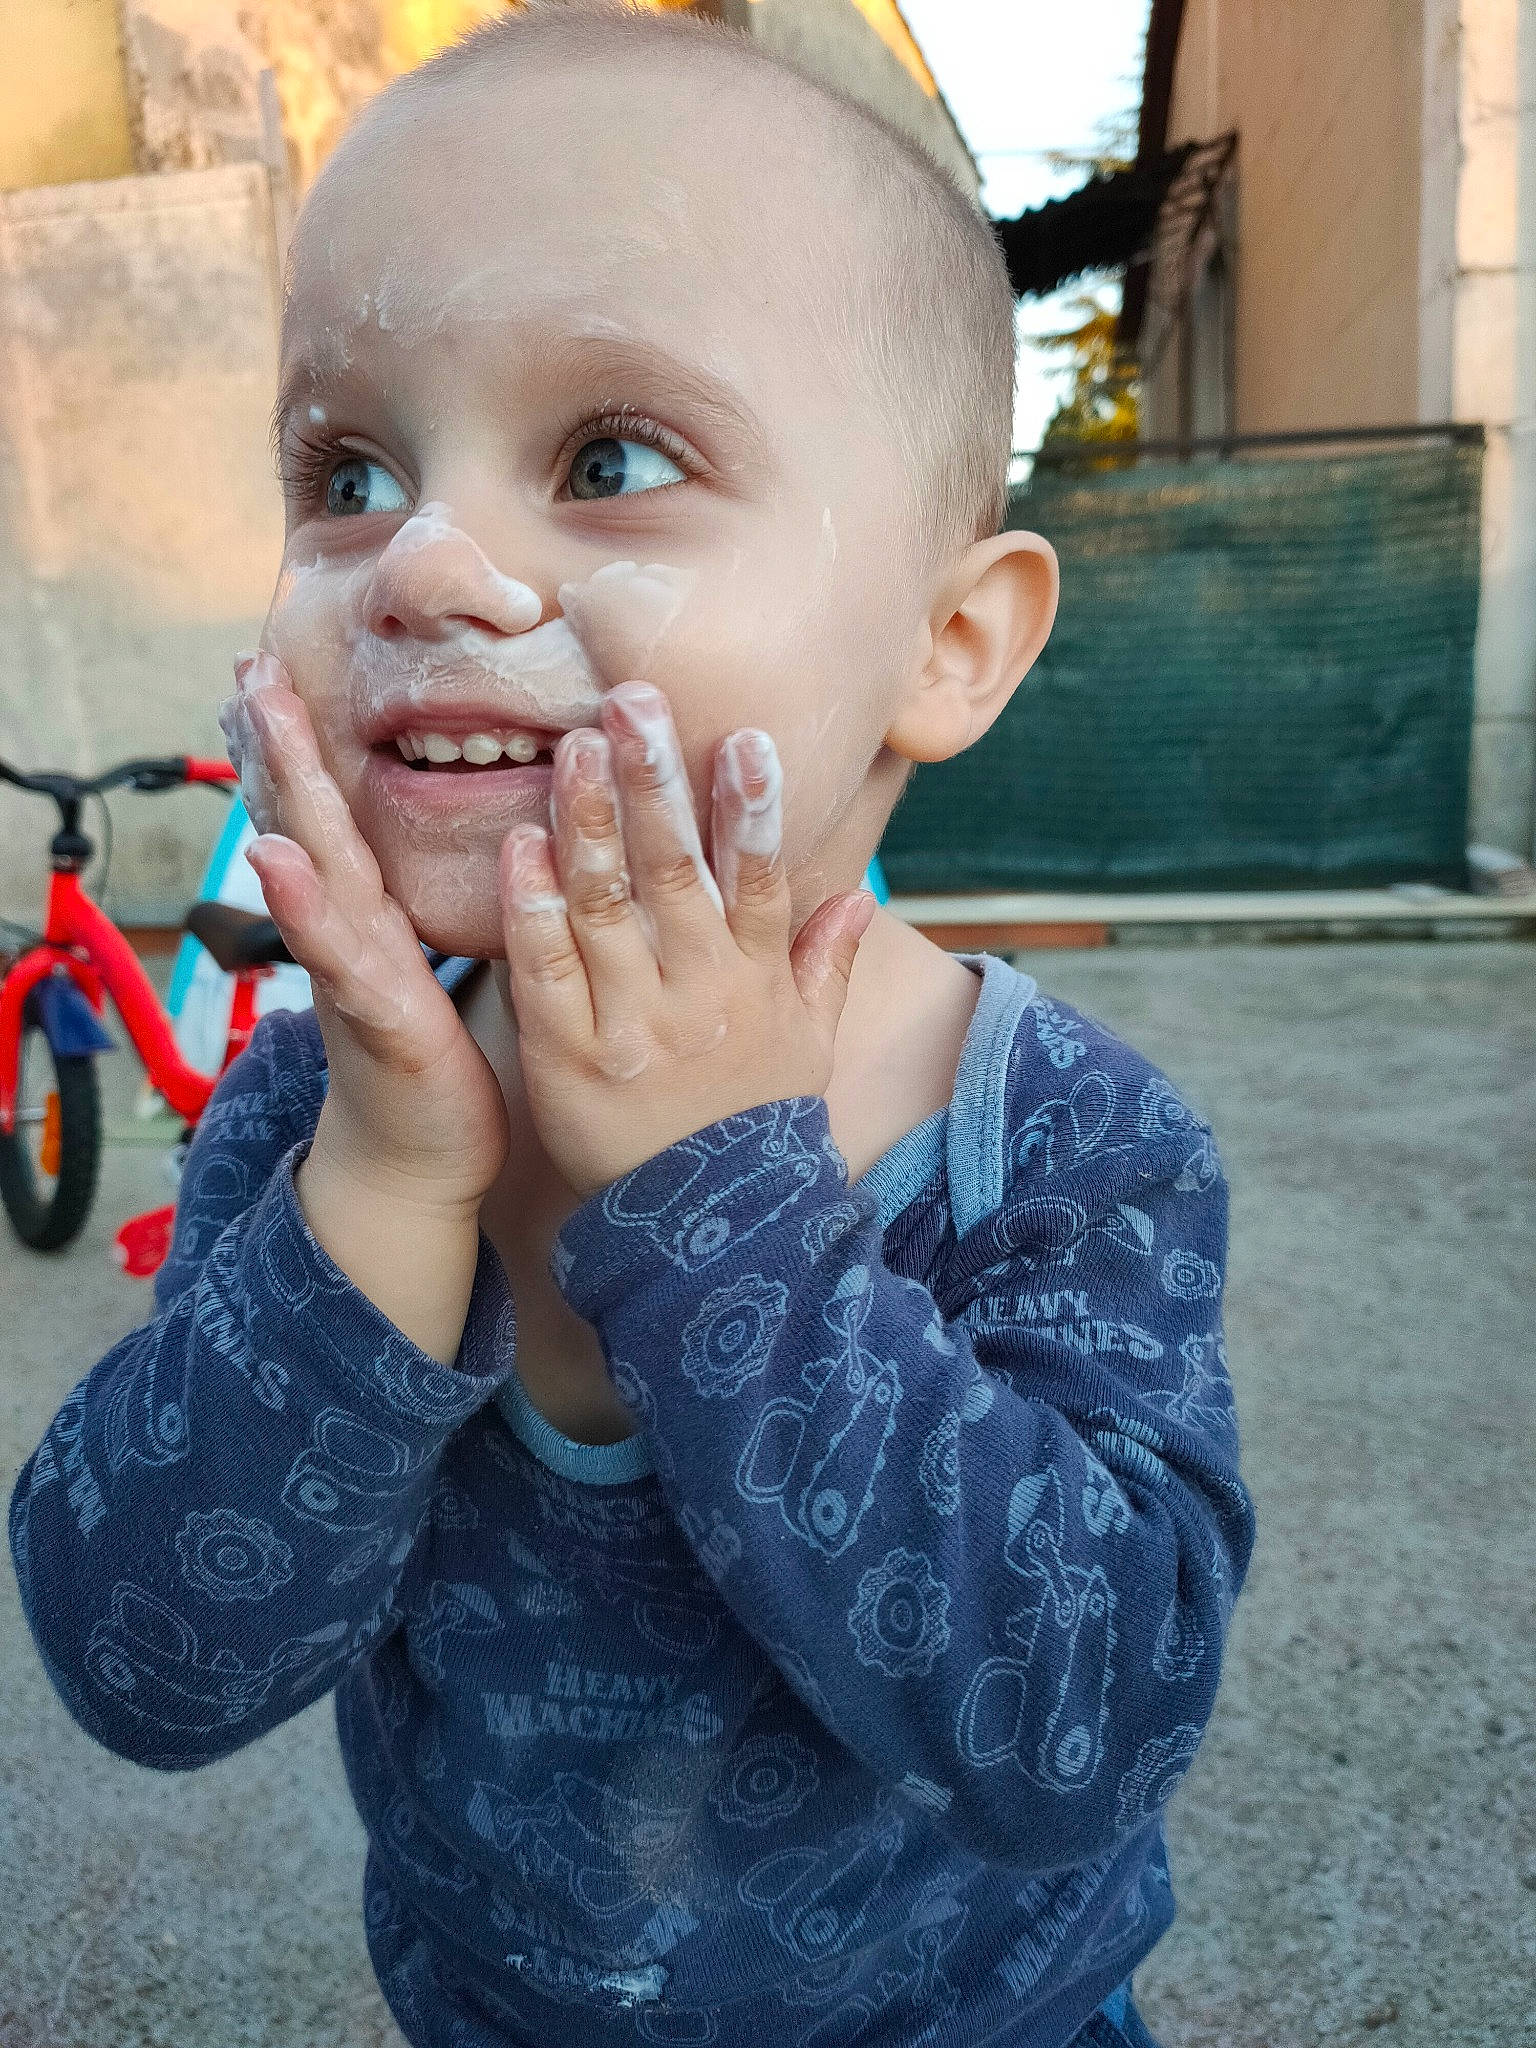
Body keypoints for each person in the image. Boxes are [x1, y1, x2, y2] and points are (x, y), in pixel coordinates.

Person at [7, 5, 1255, 2044]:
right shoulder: (319, 1109)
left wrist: (721, 1202)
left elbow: (1081, 1729)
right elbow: (139, 1664)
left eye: (611, 456)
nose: (419, 559)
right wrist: (392, 1193)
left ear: (948, 647)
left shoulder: (1065, 1147)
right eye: (348, 469)